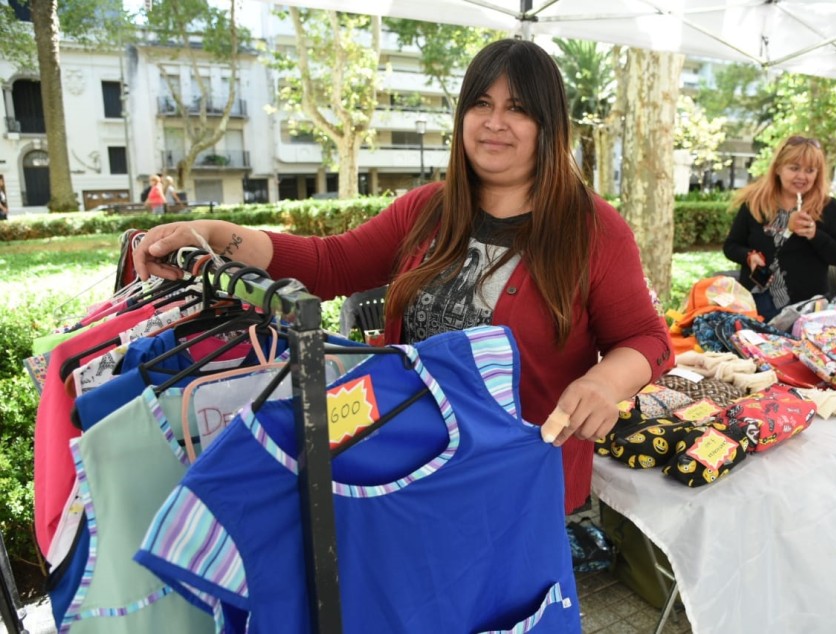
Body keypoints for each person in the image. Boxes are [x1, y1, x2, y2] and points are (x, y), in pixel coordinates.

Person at [132, 38, 673, 514]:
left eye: (518, 109)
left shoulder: (594, 229)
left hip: (515, 484)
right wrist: (211, 231)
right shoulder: (426, 211)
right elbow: (329, 263)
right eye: (481, 103)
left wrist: (604, 382)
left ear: (549, 125)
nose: (494, 122)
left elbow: (646, 339)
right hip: (402, 467)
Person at [723, 135, 836, 321]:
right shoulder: (755, 204)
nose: (802, 176)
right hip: (756, 305)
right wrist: (749, 256)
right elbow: (731, 246)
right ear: (778, 168)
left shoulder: (827, 207)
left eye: (810, 170)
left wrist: (815, 235)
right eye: (794, 168)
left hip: (807, 311)